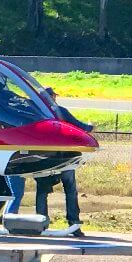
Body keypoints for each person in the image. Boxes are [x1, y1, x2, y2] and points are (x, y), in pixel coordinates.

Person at [35, 87, 93, 237]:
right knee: (70, 190)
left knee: (42, 191)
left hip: (43, 158)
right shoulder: (61, 111)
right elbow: (80, 127)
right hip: (65, 158)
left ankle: (40, 224)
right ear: (52, 97)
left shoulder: (35, 113)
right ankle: (74, 224)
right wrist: (90, 125)